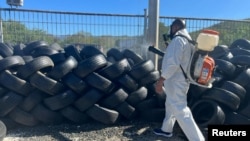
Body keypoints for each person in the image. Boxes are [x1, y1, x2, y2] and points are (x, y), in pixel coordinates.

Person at [153, 18, 205, 141]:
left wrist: (160, 81)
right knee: (170, 105)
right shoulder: (188, 40)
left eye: (171, 27)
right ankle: (166, 130)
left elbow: (173, 64)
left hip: (175, 81)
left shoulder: (178, 40)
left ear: (175, 27)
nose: (170, 30)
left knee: (181, 111)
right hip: (181, 80)